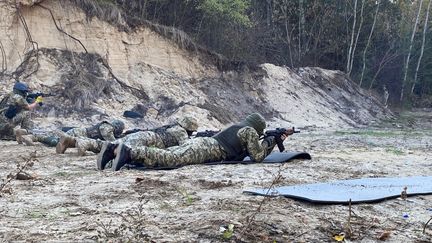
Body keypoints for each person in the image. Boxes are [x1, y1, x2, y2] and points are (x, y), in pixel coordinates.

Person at [97, 113, 294, 171]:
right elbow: (257, 156)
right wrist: (271, 141)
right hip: (208, 149)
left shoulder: (237, 126)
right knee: (171, 158)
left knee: (170, 154)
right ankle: (128, 152)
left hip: (203, 144)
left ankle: (113, 151)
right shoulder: (250, 131)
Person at [94, 116, 198, 169]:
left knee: (116, 145)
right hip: (151, 139)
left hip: (145, 135)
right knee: (125, 152)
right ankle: (109, 164)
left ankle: (105, 154)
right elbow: (186, 146)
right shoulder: (181, 131)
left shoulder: (173, 127)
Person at [55, 119, 125, 154]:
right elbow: (111, 140)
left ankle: (64, 145)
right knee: (55, 141)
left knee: (68, 142)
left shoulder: (107, 127)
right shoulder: (107, 127)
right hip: (77, 133)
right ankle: (44, 138)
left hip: (79, 135)